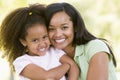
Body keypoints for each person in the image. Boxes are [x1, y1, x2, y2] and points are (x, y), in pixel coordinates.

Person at [0, 3, 79, 80]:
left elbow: (74, 67)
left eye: (45, 37)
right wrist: (67, 65)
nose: (42, 44)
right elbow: (46, 77)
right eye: (35, 40)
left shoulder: (55, 52)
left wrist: (70, 66)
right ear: (24, 41)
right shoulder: (22, 61)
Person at [45, 2, 117, 80]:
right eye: (51, 29)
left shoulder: (95, 47)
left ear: (75, 27)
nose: (58, 34)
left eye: (64, 27)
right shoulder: (48, 55)